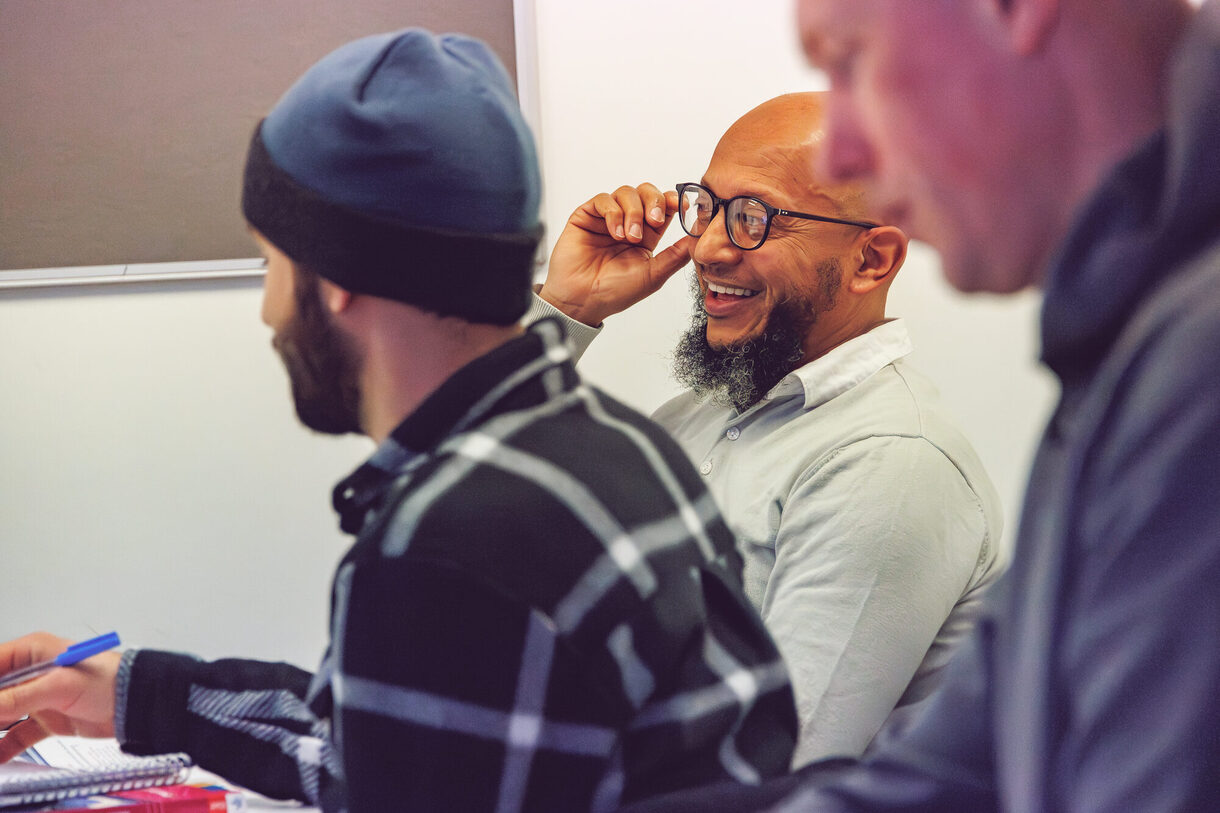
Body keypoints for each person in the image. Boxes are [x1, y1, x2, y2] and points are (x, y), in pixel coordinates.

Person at [0, 29, 800, 812]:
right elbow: (397, 746)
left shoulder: (451, 544)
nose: (271, 309)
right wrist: (142, 697)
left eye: (271, 264)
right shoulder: (620, 448)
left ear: (336, 274)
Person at [623, 0, 1220, 809]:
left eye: (851, 61)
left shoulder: (1193, 355)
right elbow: (950, 770)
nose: (846, 147)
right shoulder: (1132, 341)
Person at [528, 92, 1005, 767]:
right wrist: (567, 307)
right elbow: (481, 507)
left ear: (872, 260)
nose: (708, 247)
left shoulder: (890, 464)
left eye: (754, 218)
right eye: (708, 207)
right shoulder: (707, 417)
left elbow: (770, 770)